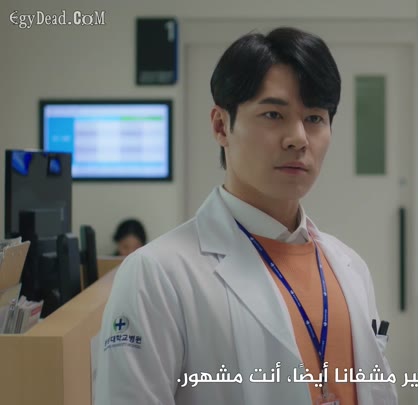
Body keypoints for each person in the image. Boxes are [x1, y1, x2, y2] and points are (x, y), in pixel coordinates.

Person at [93, 27, 397, 405]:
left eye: (315, 118)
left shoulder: (350, 268)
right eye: (273, 114)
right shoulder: (156, 275)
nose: (298, 138)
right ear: (221, 125)